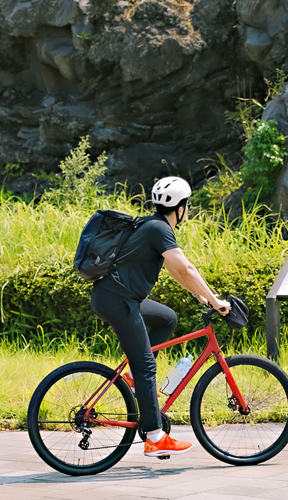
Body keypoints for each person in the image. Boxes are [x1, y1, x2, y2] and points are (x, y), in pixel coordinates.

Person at [90, 176, 231, 457]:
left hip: (112, 297)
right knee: (147, 369)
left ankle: (132, 376)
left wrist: (198, 295)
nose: (188, 210)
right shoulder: (159, 229)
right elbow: (188, 269)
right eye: (187, 205)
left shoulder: (148, 225)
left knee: (166, 318)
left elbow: (173, 268)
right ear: (179, 207)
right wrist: (216, 302)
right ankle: (155, 437)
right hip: (119, 301)